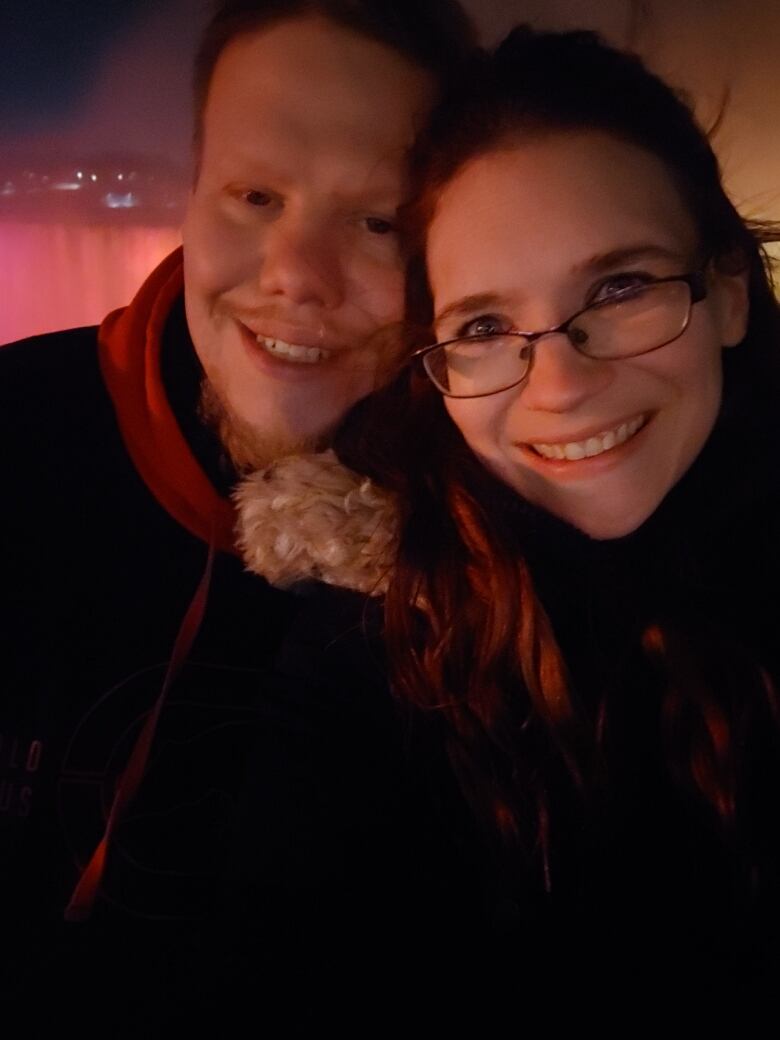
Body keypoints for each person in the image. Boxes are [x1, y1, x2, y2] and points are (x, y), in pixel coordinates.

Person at [237, 27, 780, 998]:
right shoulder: (377, 644)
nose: (563, 382)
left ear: (730, 289)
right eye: (484, 326)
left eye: (619, 286)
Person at [0, 0, 475, 1025]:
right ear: (196, 193)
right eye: (256, 194)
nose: (295, 277)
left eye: (381, 220)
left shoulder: (493, 557)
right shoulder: (19, 437)